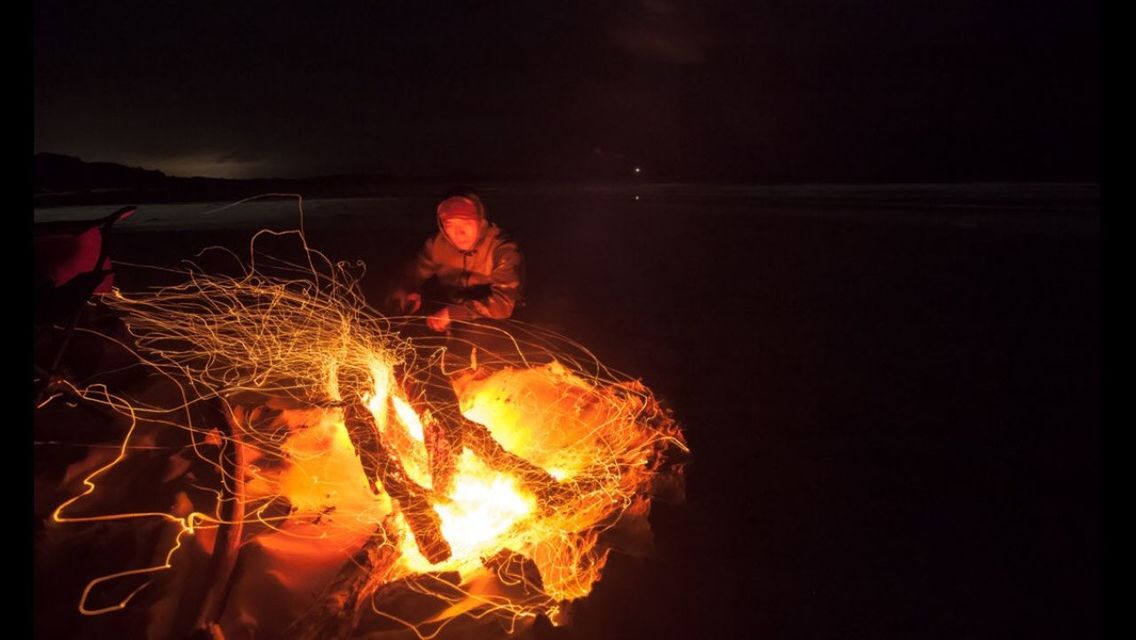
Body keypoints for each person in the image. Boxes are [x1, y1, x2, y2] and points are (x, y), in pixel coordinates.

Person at [389, 189, 523, 333]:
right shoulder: (437, 245)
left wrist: (453, 314)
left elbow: (502, 306)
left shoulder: (502, 249)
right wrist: (405, 292)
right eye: (450, 225)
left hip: (503, 324)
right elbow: (412, 274)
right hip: (454, 317)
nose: (459, 233)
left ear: (480, 222)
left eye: (466, 223)